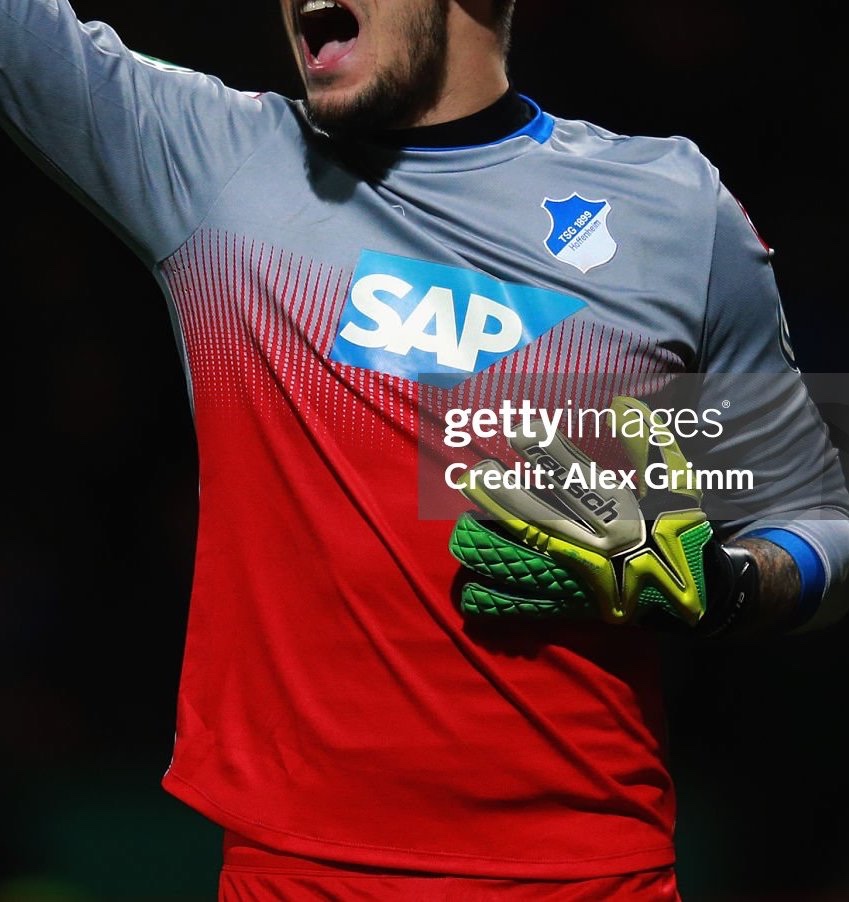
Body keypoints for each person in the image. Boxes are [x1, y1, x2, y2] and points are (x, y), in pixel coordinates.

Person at [2, 0, 848, 899]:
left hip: (590, 875)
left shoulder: (672, 208)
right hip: (297, 876)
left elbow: (816, 519)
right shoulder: (214, 165)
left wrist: (729, 584)